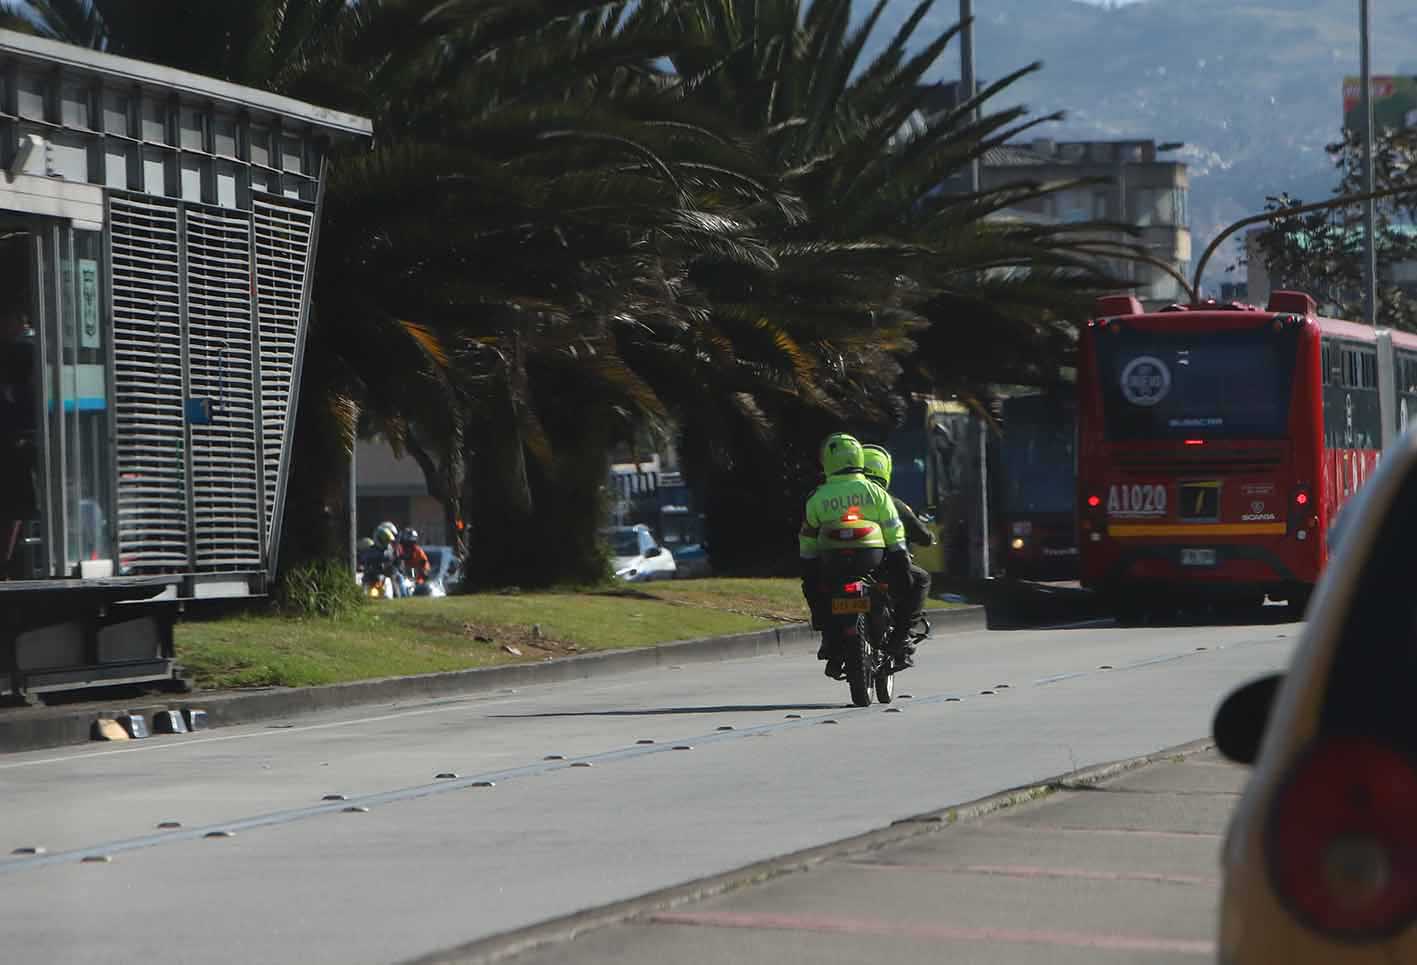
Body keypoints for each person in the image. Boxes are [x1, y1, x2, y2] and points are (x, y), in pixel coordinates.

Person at [799, 432, 916, 675]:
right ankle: (899, 640)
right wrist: (900, 558)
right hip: (871, 559)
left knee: (816, 590)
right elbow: (894, 531)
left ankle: (827, 634)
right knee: (905, 587)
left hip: (833, 563)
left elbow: (807, 539)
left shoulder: (817, 498)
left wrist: (809, 566)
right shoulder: (875, 493)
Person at [862, 444, 933, 656]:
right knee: (921, 580)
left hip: (843, 567)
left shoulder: (840, 499)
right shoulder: (891, 502)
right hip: (884, 566)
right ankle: (901, 637)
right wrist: (929, 537)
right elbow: (921, 534)